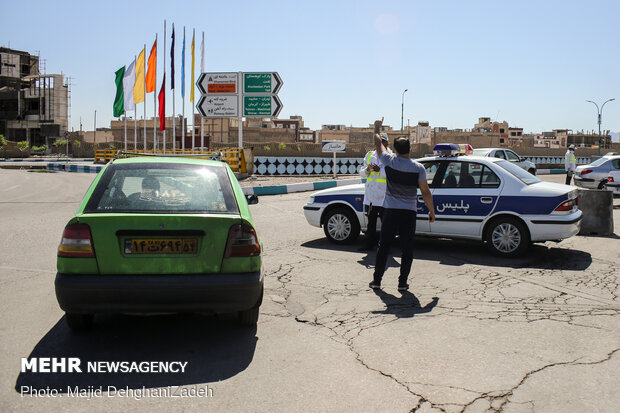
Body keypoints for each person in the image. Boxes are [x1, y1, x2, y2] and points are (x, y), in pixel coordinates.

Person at [369, 118, 435, 292]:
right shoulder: (419, 168)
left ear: (396, 150)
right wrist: (431, 211)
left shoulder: (389, 161)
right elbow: (426, 192)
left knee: (384, 246)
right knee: (407, 249)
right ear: (410, 149)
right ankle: (402, 283)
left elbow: (378, 143)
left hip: (390, 211)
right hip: (408, 213)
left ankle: (377, 280)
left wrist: (377, 127)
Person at [358, 133, 392, 251]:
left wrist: (379, 170)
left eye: (383, 141)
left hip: (384, 197)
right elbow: (361, 173)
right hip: (371, 197)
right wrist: (367, 169)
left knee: (386, 224)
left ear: (387, 143)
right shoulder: (369, 155)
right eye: (379, 141)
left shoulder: (391, 156)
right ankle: (369, 245)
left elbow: (392, 174)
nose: (380, 144)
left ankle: (385, 247)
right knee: (370, 224)